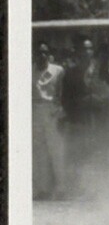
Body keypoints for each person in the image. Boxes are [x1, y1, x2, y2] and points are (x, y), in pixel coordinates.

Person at [60, 36, 109, 195]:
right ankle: (77, 189)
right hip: (79, 121)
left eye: (89, 48)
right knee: (78, 155)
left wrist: (99, 100)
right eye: (83, 49)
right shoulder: (70, 73)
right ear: (77, 51)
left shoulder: (101, 70)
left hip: (98, 120)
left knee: (98, 153)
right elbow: (65, 99)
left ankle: (99, 190)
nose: (86, 52)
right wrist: (79, 104)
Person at [33, 41, 67, 199]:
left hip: (52, 111)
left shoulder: (58, 70)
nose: (42, 55)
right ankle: (42, 189)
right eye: (39, 52)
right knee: (39, 151)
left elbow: (62, 94)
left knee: (56, 151)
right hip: (34, 111)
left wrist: (60, 114)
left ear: (49, 54)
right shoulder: (28, 70)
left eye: (45, 52)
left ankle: (61, 188)